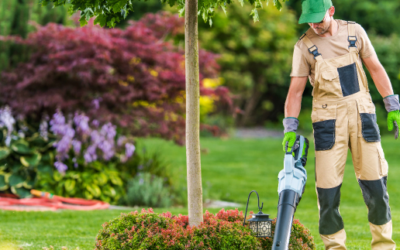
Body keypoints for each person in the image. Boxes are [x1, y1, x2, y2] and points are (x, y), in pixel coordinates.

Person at [282, 0, 399, 249]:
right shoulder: (304, 46)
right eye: (309, 20)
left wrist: (392, 105)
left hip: (362, 114)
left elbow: (376, 69)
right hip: (327, 120)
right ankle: (334, 246)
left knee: (376, 185)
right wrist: (290, 127)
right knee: (327, 192)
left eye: (319, 18)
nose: (314, 24)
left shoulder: (355, 32)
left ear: (331, 11)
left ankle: (384, 245)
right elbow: (295, 92)